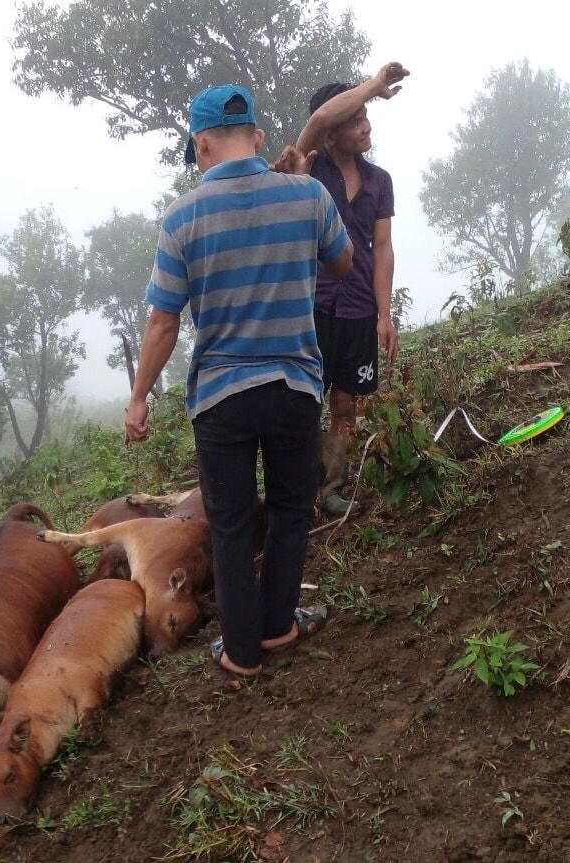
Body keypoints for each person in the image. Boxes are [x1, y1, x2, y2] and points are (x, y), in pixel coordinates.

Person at [125, 84, 353, 677]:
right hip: (294, 386)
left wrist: (139, 396)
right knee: (289, 507)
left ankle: (241, 651)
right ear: (255, 138)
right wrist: (303, 187)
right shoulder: (307, 194)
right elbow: (342, 262)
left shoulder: (181, 216)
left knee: (228, 524)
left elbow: (162, 323)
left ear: (201, 147)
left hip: (222, 397)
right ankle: (278, 626)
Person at [282, 62, 409, 516]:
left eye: (365, 116)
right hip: (310, 308)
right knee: (301, 402)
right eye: (355, 120)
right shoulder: (307, 171)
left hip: (357, 310)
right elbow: (315, 122)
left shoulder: (380, 182)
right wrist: (374, 85)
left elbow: (383, 247)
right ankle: (296, 490)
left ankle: (330, 489)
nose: (365, 124)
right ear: (332, 133)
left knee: (345, 404)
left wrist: (385, 314)